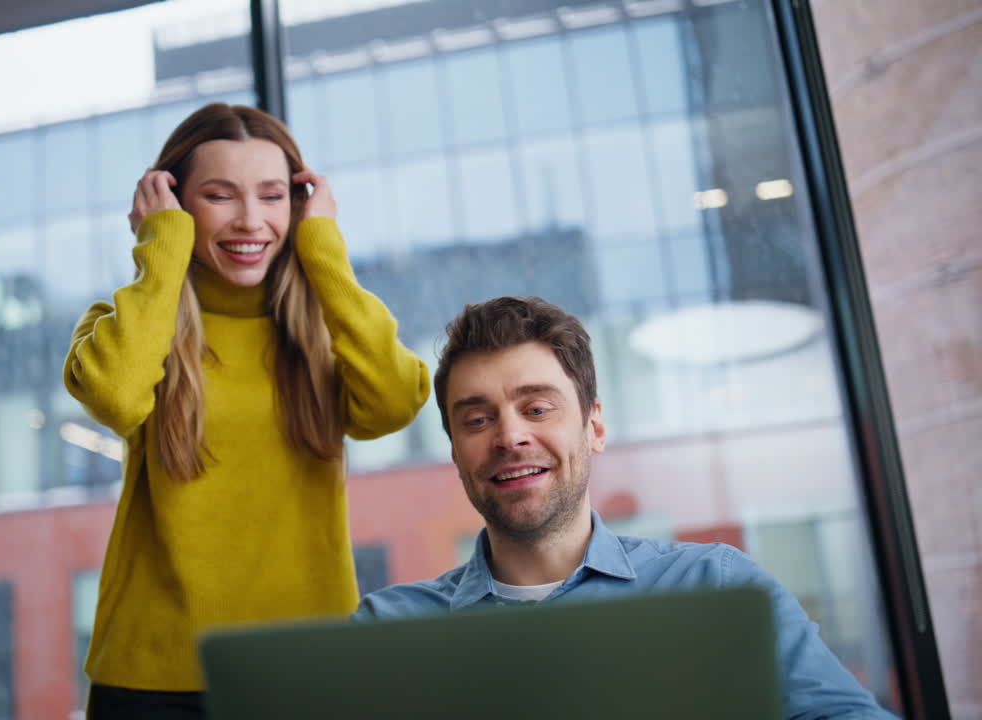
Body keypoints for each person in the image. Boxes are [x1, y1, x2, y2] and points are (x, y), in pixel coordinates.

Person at [354, 296, 896, 719]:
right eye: (477, 420)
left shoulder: (716, 587)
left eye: (537, 407)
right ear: (454, 451)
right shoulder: (387, 633)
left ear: (594, 426)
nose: (510, 435)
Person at [65, 103, 430, 718]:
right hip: (152, 678)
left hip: (306, 668)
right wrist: (162, 250)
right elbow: (114, 394)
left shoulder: (324, 330)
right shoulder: (126, 323)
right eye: (219, 195)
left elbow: (394, 404)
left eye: (271, 196)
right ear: (174, 204)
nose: (250, 220)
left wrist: (325, 254)